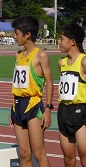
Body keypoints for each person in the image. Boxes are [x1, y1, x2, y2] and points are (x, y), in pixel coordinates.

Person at [9, 16, 53, 167]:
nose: (14, 36)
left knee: (39, 154)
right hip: (17, 105)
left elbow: (50, 82)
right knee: (24, 153)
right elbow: (17, 84)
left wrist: (48, 108)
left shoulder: (40, 55)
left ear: (27, 34)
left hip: (33, 105)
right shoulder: (18, 55)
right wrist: (12, 108)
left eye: (16, 33)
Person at [57, 24, 86, 167]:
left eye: (62, 39)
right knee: (68, 159)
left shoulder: (84, 61)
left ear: (73, 42)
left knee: (84, 157)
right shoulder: (61, 62)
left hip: (81, 111)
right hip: (64, 111)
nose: (59, 42)